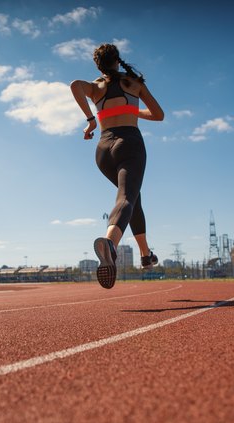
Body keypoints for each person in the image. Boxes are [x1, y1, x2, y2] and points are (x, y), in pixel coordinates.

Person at [70, 43, 164, 289]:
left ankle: (145, 255)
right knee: (126, 198)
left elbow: (74, 86)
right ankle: (110, 243)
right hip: (129, 143)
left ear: (98, 64)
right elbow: (158, 114)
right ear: (117, 60)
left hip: (103, 150)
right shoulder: (133, 83)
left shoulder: (95, 86)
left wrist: (91, 120)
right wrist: (133, 109)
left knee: (132, 197)